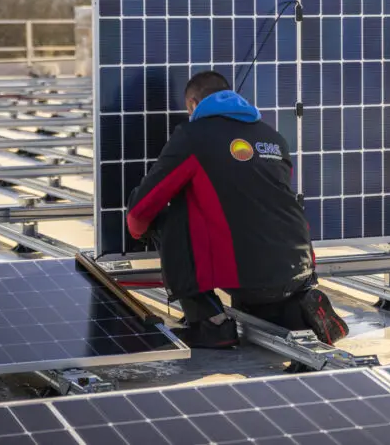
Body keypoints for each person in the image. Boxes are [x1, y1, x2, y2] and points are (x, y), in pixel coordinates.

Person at [125, 70, 349, 349]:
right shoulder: (273, 137)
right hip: (297, 267)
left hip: (245, 275)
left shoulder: (193, 136)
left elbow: (140, 211)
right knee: (259, 231)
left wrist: (138, 230)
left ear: (193, 105)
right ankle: (300, 308)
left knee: (172, 215)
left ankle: (211, 321)